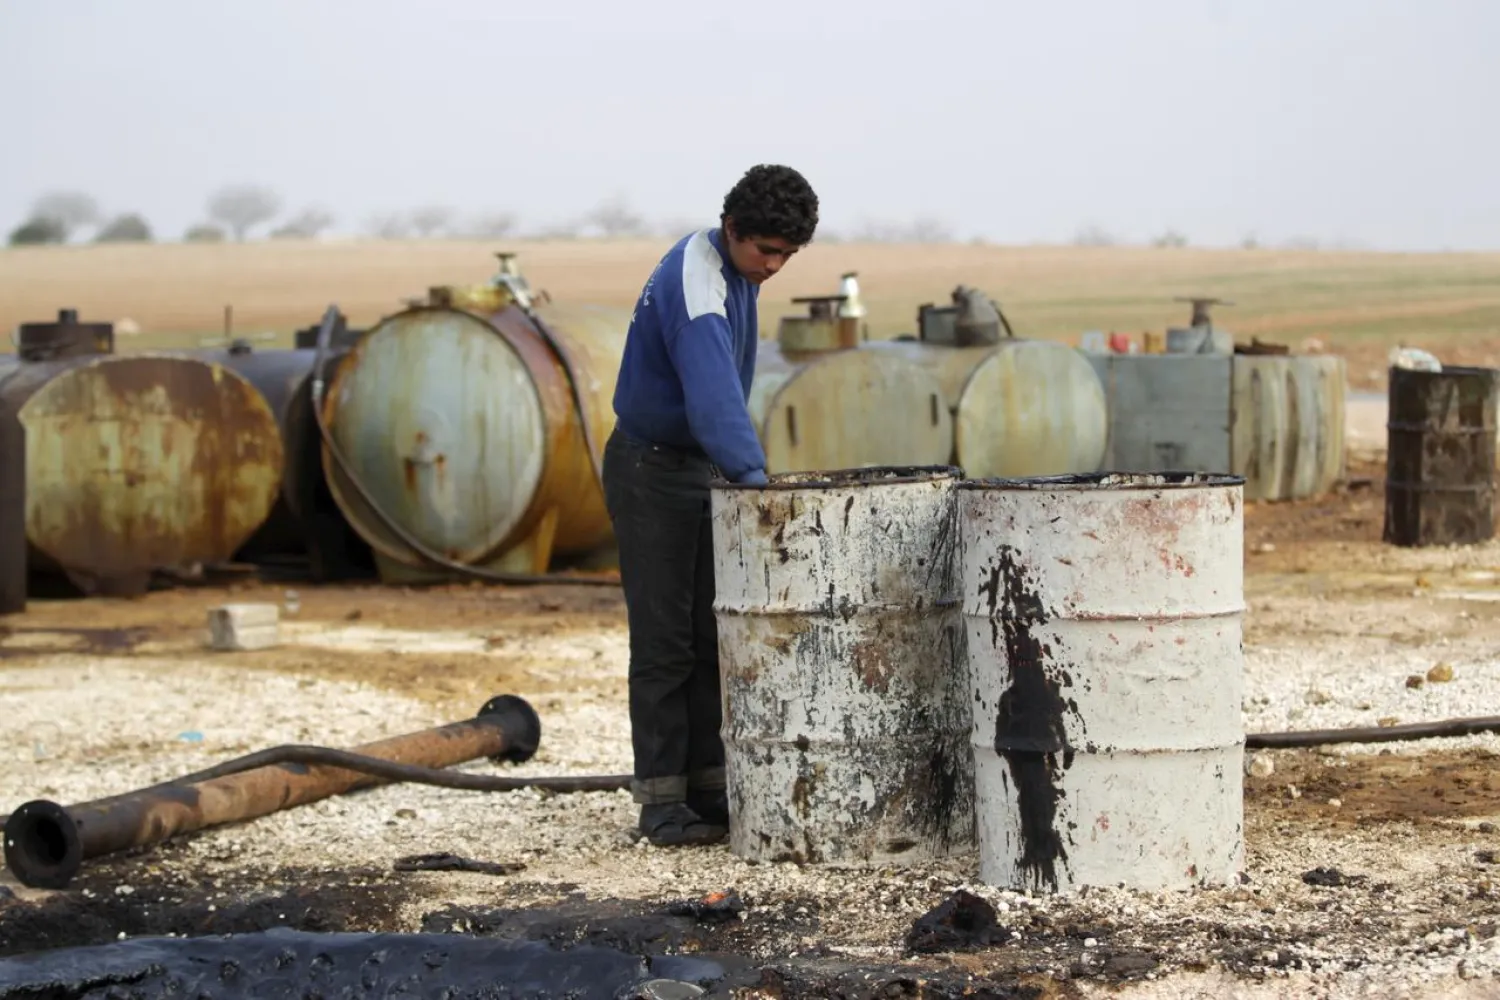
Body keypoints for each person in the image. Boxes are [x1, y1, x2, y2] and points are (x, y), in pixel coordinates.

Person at [602, 164, 820, 848]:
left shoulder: (734, 271)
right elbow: (711, 392)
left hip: (694, 466)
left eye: (787, 255)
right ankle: (661, 804)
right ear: (733, 230)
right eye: (767, 251)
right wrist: (753, 481)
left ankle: (705, 788)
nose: (775, 266)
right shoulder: (698, 281)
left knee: (707, 634)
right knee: (665, 641)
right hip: (653, 468)